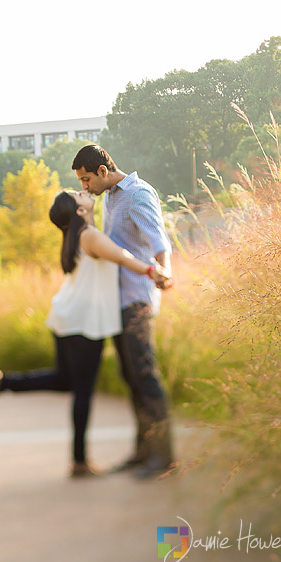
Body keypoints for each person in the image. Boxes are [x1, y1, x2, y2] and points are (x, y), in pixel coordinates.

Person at [0, 190, 169, 478]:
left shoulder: (75, 237)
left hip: (68, 317)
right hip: (83, 323)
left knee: (64, 380)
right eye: (79, 195)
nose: (84, 192)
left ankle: (1, 383)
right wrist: (152, 270)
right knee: (82, 392)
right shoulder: (88, 234)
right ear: (79, 211)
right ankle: (79, 462)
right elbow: (123, 256)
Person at [71, 144, 177, 480]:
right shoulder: (111, 197)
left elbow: (159, 240)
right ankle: (143, 451)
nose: (85, 187)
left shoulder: (136, 193)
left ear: (102, 171)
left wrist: (166, 270)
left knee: (145, 376)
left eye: (87, 180)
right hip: (118, 301)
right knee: (130, 377)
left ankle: (165, 457)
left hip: (137, 300)